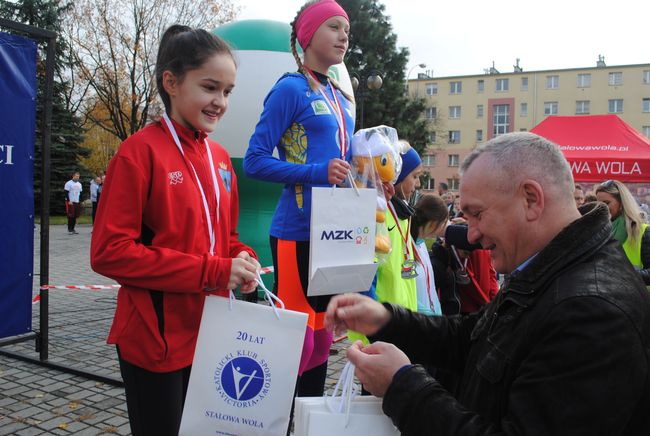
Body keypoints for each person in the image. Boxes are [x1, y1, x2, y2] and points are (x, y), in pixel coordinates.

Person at [326, 132, 650, 435]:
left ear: (531, 199)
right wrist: (386, 320)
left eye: (477, 214)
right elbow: (474, 339)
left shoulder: (590, 312)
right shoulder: (548, 265)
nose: (471, 235)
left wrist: (403, 387)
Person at [90, 25, 260, 436]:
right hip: (156, 342)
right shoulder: (139, 152)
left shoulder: (219, 159)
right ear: (171, 82)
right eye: (209, 87)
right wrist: (215, 271)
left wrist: (243, 257)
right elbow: (109, 252)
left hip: (211, 333)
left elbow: (224, 237)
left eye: (228, 91)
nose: (220, 102)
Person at [243, 0, 354, 398]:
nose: (344, 35)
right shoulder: (290, 89)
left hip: (335, 232)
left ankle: (306, 417)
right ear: (307, 35)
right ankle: (270, 414)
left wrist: (373, 182)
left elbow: (344, 161)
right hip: (296, 230)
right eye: (334, 27)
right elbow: (255, 161)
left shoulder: (340, 97)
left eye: (346, 29)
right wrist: (315, 173)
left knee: (324, 338)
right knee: (299, 340)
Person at [596, 179, 650, 285]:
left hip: (639, 299)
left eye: (607, 203)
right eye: (599, 204)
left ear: (621, 202)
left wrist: (622, 275)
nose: (602, 208)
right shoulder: (599, 232)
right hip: (612, 298)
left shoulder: (644, 231)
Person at [408, 194, 447, 316]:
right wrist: (424, 313)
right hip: (417, 323)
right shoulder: (408, 249)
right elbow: (407, 289)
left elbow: (430, 288)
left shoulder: (422, 244)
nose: (444, 227)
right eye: (443, 222)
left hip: (429, 323)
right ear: (433, 223)